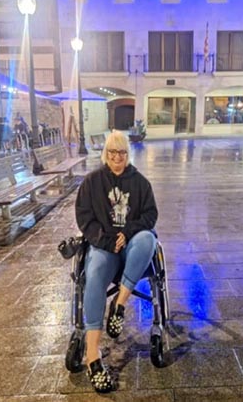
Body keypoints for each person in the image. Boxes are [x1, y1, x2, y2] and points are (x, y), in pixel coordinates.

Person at [75, 130, 158, 393]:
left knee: (147, 239)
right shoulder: (92, 182)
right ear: (105, 153)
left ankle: (119, 305)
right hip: (105, 246)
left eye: (122, 152)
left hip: (132, 248)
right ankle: (92, 355)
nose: (117, 157)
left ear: (128, 154)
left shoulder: (140, 183)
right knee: (95, 273)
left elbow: (150, 215)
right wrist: (106, 240)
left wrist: (128, 232)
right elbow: (85, 219)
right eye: (112, 152)